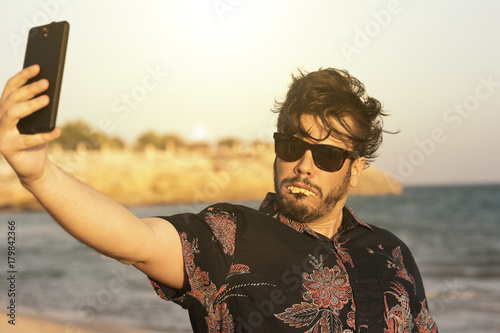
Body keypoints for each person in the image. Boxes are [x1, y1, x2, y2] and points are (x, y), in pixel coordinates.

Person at [0, 65, 437, 332]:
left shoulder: (391, 253)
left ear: (355, 169)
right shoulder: (230, 236)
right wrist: (39, 173)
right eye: (291, 146)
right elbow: (132, 238)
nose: (304, 165)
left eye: (325, 155)